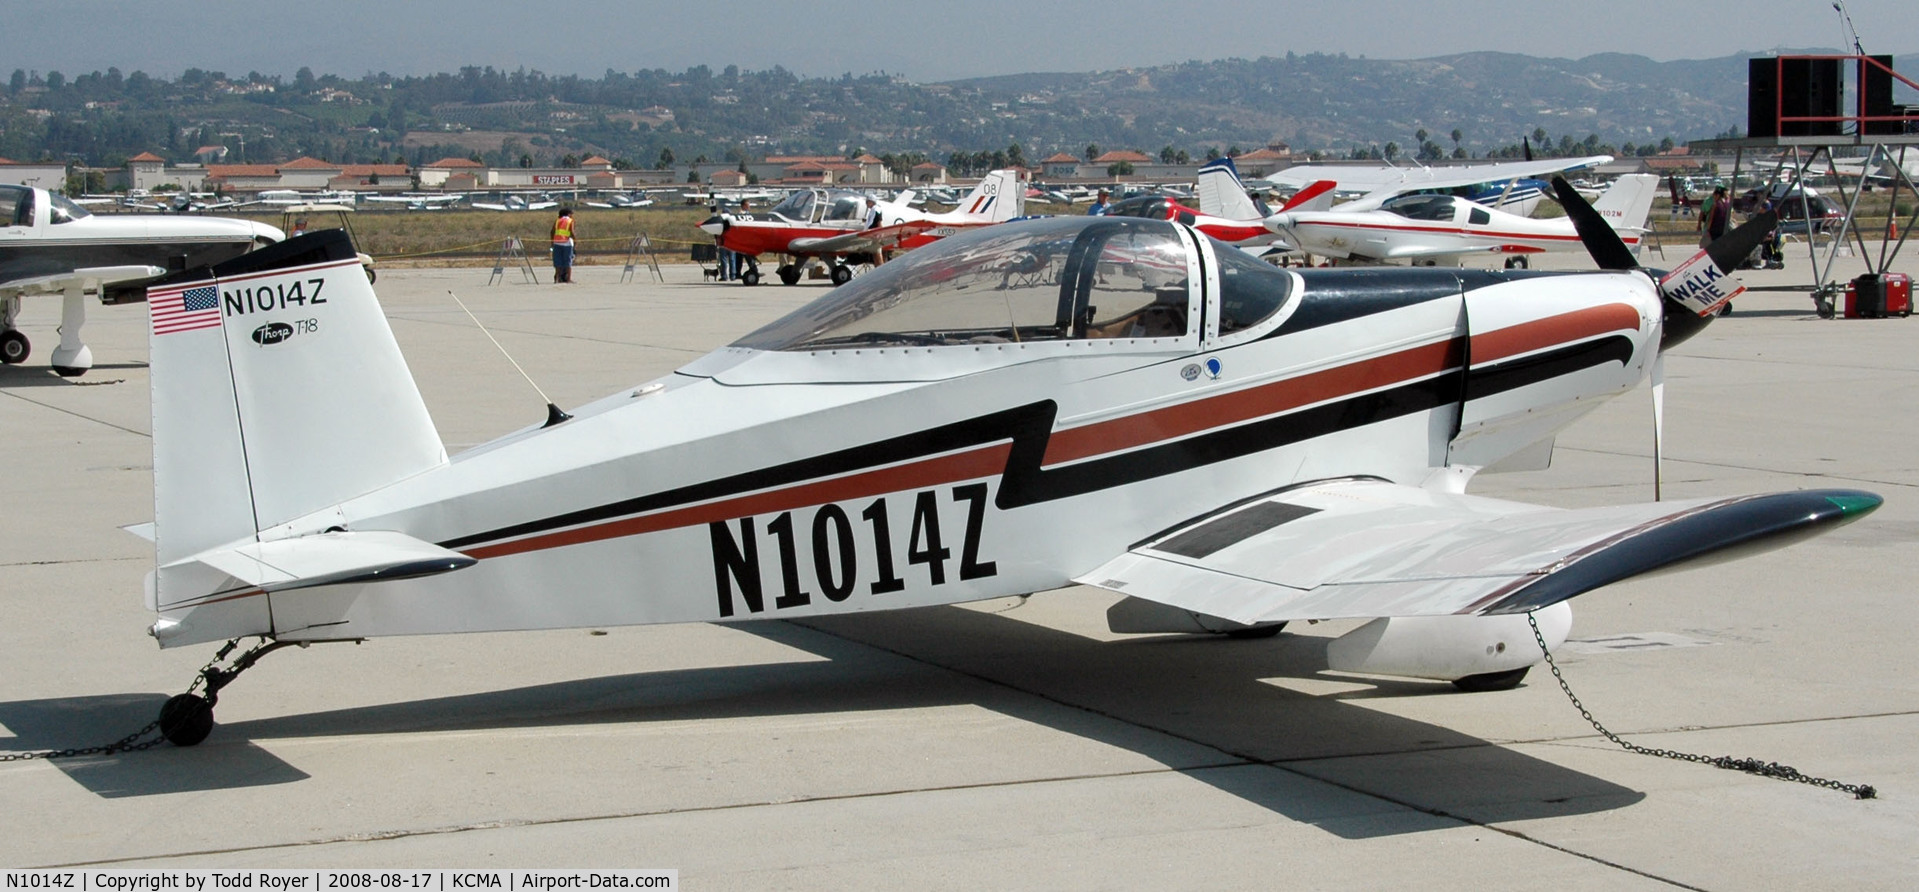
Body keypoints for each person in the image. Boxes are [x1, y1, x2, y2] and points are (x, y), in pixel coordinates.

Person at [551, 207, 576, 283]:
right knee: (568, 261)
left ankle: (557, 278)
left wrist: (552, 241)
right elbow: (571, 231)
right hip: (567, 243)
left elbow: (552, 231)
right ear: (568, 214)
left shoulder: (557, 221)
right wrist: (575, 240)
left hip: (557, 242)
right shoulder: (570, 221)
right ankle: (568, 279)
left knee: (558, 261)